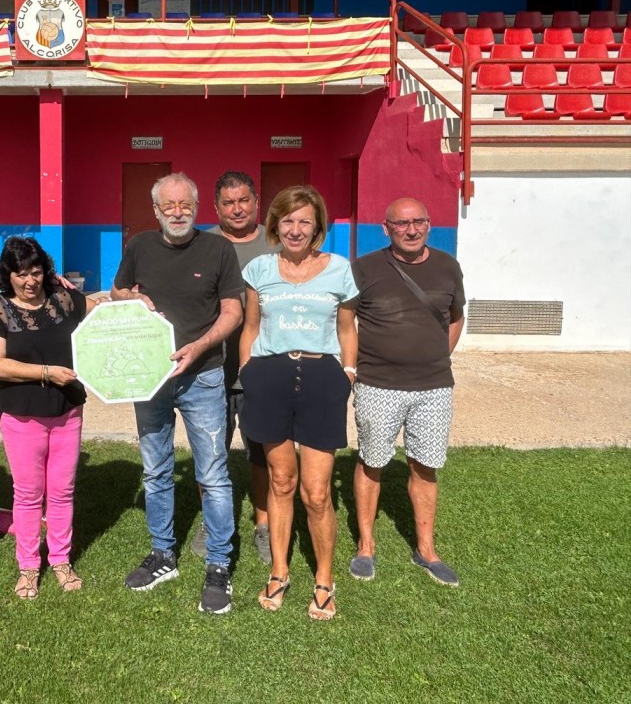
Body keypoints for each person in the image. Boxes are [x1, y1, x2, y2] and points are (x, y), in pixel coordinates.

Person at [110, 172, 244, 614]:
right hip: (150, 377)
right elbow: (116, 291)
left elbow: (232, 310)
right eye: (168, 205)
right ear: (155, 210)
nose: (177, 212)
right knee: (156, 469)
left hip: (203, 375)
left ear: (197, 206)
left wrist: (201, 345)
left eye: (185, 204)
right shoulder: (140, 246)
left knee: (213, 474)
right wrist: (129, 295)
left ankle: (219, 564)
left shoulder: (218, 249)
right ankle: (163, 554)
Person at [238, 184, 357, 621]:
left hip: (322, 378)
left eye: (304, 220)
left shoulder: (339, 270)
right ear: (275, 226)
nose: (295, 229)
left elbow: (347, 329)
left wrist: (347, 373)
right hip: (269, 375)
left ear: (318, 227)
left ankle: (324, 577)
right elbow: (250, 327)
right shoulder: (258, 270)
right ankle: (279, 570)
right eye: (287, 220)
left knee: (317, 491)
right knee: (281, 481)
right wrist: (248, 371)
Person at [349, 198, 466, 587]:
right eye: (402, 224)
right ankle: (366, 546)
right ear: (386, 229)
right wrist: (351, 367)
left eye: (419, 222)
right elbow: (346, 320)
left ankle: (426, 550)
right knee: (371, 462)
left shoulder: (448, 266)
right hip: (377, 384)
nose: (412, 230)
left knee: (425, 465)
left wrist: (435, 357)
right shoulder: (364, 269)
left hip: (433, 387)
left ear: (430, 224)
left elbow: (456, 316)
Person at [0, 237, 99, 598]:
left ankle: (61, 560)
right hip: (22, 415)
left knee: (62, 491)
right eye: (21, 274)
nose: (30, 281)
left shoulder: (64, 300)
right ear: (7, 274)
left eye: (36, 272)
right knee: (29, 494)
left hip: (67, 411)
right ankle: (29, 567)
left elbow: (104, 318)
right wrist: (47, 373)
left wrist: (132, 304)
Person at [189, 170, 277, 565]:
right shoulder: (200, 243)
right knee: (211, 451)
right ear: (216, 207)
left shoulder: (276, 242)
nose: (237, 208)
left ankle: (264, 525)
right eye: (228, 202)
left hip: (264, 366)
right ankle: (212, 523)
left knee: (263, 452)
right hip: (211, 368)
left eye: (244, 200)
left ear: (257, 200)